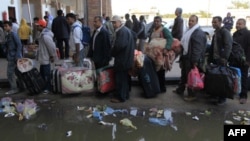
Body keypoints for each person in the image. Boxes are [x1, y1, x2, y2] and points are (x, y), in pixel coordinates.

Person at [173, 15, 207, 101]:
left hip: (191, 59)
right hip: (186, 56)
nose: (190, 22)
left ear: (196, 22)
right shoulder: (189, 31)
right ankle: (180, 90)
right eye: (189, 21)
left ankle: (192, 95)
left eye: (192, 21)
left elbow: (197, 49)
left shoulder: (198, 32)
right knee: (184, 75)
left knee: (191, 77)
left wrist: (194, 62)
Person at [207, 16, 233, 105]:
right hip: (215, 59)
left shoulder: (225, 32)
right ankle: (215, 95)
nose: (213, 24)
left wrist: (224, 58)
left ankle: (222, 98)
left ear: (220, 22)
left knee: (222, 79)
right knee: (216, 79)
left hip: (221, 60)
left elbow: (228, 46)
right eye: (212, 22)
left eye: (215, 22)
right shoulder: (216, 33)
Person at [110, 15, 134, 103]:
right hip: (125, 59)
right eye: (112, 23)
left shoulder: (122, 31)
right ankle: (125, 95)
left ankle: (121, 97)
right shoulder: (124, 30)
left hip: (123, 60)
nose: (113, 25)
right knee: (124, 79)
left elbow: (119, 46)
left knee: (121, 79)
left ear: (120, 22)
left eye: (114, 23)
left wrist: (112, 53)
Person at [148, 16, 173, 93]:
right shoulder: (153, 30)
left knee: (161, 72)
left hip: (160, 54)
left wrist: (166, 48)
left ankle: (162, 88)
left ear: (161, 22)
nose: (156, 23)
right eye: (155, 21)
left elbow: (170, 38)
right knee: (155, 71)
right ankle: (157, 87)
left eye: (158, 21)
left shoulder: (164, 30)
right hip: (153, 55)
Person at [36, 19, 57, 94]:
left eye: (38, 26)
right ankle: (44, 87)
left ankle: (48, 88)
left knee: (46, 74)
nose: (37, 27)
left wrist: (52, 56)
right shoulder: (42, 34)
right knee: (42, 74)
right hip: (43, 57)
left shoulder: (45, 36)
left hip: (46, 58)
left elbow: (51, 47)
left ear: (42, 26)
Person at [232, 18, 250, 104]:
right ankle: (236, 91)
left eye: (239, 24)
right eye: (237, 23)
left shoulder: (248, 34)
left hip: (244, 60)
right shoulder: (235, 34)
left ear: (244, 24)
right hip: (235, 59)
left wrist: (248, 60)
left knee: (243, 78)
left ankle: (243, 95)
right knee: (236, 77)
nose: (237, 25)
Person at [3, 21, 22, 95]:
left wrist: (17, 56)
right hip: (11, 56)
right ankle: (21, 87)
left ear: (10, 26)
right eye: (4, 26)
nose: (5, 28)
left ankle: (14, 89)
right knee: (18, 73)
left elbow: (19, 45)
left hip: (14, 57)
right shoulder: (8, 35)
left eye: (6, 26)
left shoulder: (13, 34)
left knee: (10, 73)